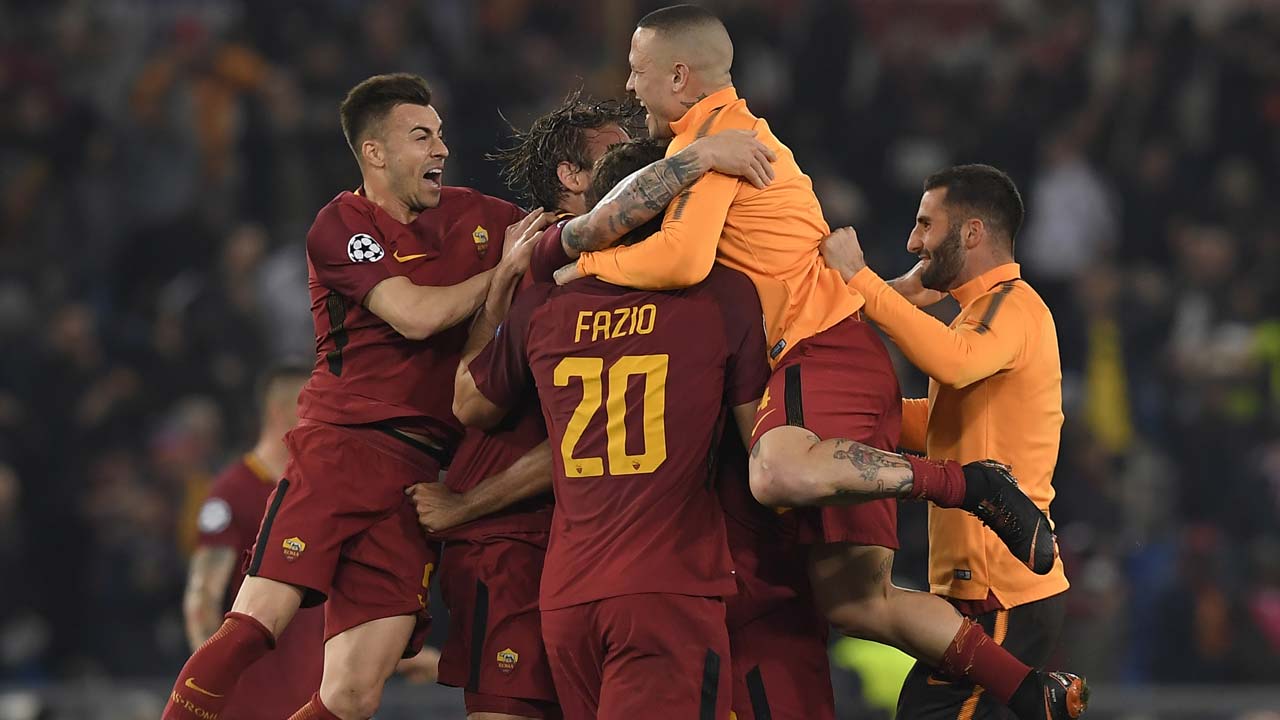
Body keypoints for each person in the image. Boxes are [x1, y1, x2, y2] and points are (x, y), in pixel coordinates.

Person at [546, 6, 1078, 719]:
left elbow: (682, 258)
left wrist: (584, 267)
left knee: (775, 471)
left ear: (678, 76)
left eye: (638, 71)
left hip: (818, 350)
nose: (630, 85)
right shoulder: (720, 139)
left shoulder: (721, 138)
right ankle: (1029, 688)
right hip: (836, 356)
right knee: (858, 602)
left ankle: (967, 483)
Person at [163, 73, 547, 720]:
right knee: (256, 624)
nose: (441, 149)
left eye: (440, 135)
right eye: (421, 136)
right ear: (375, 152)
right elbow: (415, 316)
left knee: (353, 695)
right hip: (342, 451)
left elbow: (556, 233)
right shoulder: (342, 224)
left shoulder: (476, 218)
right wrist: (502, 274)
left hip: (418, 478)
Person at [819, 164, 1086, 719]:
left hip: (1001, 590)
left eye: (925, 224)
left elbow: (954, 361)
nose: (913, 242)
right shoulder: (984, 313)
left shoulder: (1012, 305)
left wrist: (860, 280)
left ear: (971, 233)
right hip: (989, 592)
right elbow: (939, 424)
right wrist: (839, 415)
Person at [405, 92, 632, 720]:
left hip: (576, 545)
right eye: (616, 155)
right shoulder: (552, 273)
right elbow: (483, 407)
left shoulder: (609, 267)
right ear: (571, 176)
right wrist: (466, 506)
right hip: (510, 539)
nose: (638, 167)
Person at [183, 364, 324, 720]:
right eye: (317, 405)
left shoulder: (320, 492)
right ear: (280, 410)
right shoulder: (233, 492)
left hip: (315, 697)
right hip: (249, 702)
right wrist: (210, 690)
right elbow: (203, 597)